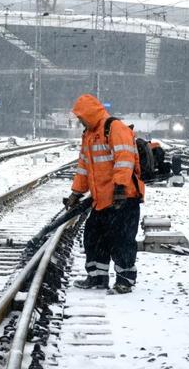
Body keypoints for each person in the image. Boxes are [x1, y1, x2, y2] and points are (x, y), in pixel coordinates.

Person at [66, 94, 145, 294]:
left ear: (90, 113)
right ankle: (97, 278)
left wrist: (120, 187)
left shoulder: (114, 128)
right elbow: (84, 167)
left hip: (123, 198)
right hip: (101, 199)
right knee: (94, 237)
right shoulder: (89, 135)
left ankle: (124, 281)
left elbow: (124, 158)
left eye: (81, 116)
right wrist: (76, 192)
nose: (79, 120)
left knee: (122, 240)